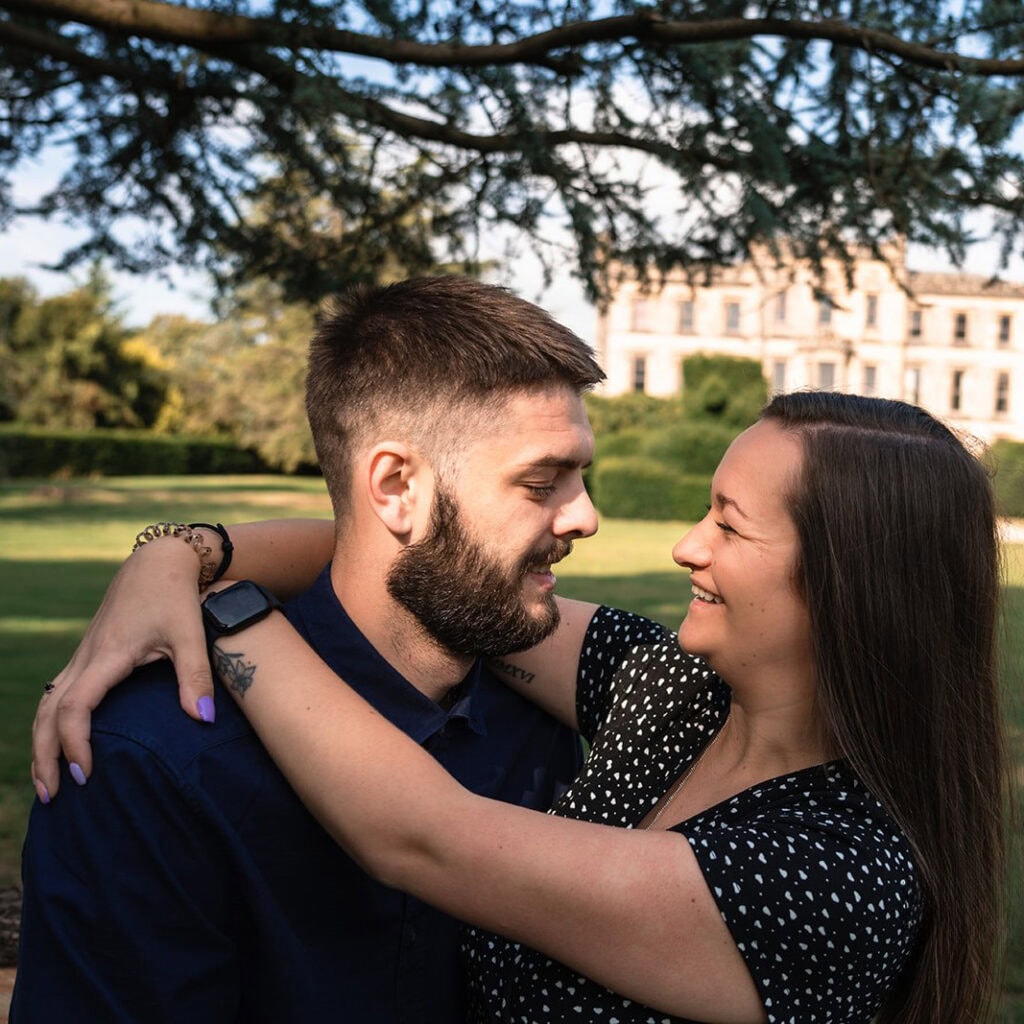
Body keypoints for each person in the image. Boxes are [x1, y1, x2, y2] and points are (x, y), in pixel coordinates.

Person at [30, 391, 1010, 1022]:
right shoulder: (677, 692)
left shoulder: (833, 874)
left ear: (849, 583)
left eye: (728, 524)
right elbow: (438, 574)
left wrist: (229, 613)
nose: (684, 545)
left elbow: (422, 835)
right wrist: (177, 550)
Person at [12, 275, 607, 1023]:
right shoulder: (151, 762)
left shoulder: (537, 716)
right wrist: (177, 552)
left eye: (581, 475)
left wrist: (184, 553)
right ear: (396, 487)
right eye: (542, 481)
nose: (586, 516)